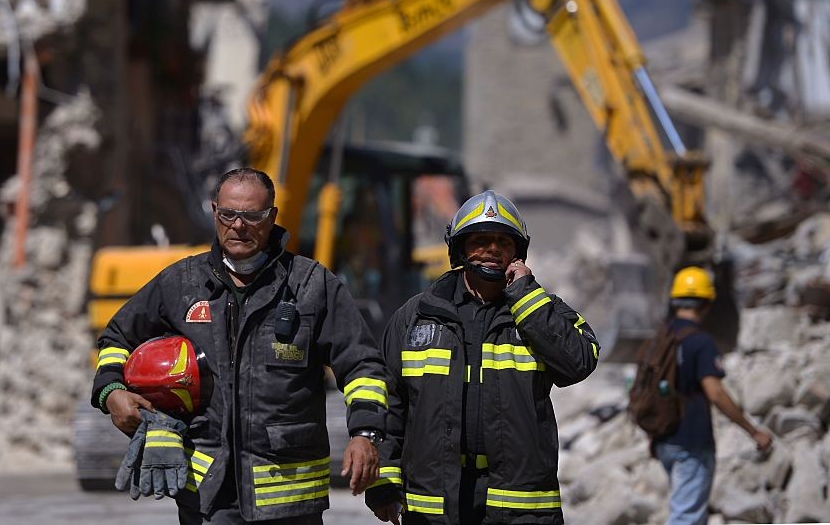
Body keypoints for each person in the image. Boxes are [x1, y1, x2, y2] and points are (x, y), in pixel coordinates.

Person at [92, 167, 390, 524]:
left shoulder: (312, 285)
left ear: (272, 217)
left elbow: (362, 366)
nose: (238, 225)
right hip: (208, 497)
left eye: (252, 215)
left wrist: (365, 433)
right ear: (214, 210)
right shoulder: (181, 283)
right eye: (228, 214)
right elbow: (115, 338)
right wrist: (112, 392)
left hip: (290, 501)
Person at [365, 190, 600, 525]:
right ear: (460, 248)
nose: (492, 250)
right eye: (481, 240)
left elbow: (579, 362)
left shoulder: (538, 308)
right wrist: (384, 483)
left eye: (504, 242)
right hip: (436, 506)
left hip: (519, 508)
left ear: (517, 253)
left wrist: (525, 298)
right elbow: (389, 403)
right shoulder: (416, 316)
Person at [652, 266, 772, 525]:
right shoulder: (700, 342)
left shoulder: (661, 337)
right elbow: (715, 393)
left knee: (684, 507)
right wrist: (753, 431)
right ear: (706, 303)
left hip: (663, 439)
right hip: (691, 442)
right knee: (687, 517)